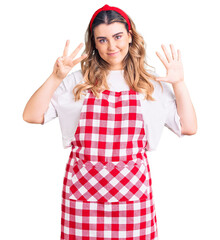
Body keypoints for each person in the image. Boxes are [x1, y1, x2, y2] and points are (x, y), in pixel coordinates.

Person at [23, 4, 197, 240]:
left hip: (133, 202)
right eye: (102, 39)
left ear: (130, 36)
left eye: (117, 37)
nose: (112, 46)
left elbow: (189, 127)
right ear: (94, 43)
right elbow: (31, 116)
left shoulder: (151, 85)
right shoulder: (76, 81)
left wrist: (179, 83)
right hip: (83, 202)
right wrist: (56, 77)